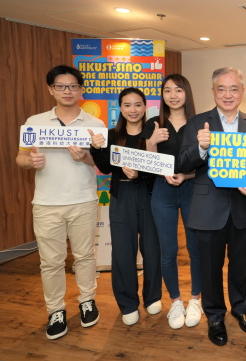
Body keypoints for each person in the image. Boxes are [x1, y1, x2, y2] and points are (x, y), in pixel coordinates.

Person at [16, 65, 104, 340]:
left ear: (81, 89)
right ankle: (55, 310)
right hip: (46, 203)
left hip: (84, 200)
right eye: (61, 86)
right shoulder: (34, 121)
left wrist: (86, 157)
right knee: (50, 262)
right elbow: (20, 158)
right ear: (51, 89)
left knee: (85, 256)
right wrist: (29, 161)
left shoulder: (95, 125)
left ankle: (87, 300)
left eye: (73, 86)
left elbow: (102, 165)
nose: (67, 91)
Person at [178, 67, 246, 347]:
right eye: (222, 89)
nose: (228, 94)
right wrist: (201, 148)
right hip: (207, 209)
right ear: (213, 91)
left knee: (239, 266)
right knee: (210, 268)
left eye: (234, 88)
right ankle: (214, 315)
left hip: (242, 209)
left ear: (242, 91)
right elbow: (183, 163)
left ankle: (240, 308)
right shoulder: (196, 123)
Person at [89, 87, 162, 326]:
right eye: (128, 105)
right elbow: (107, 168)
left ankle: (152, 297)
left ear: (145, 107)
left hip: (150, 194)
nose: (133, 110)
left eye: (138, 104)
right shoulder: (112, 134)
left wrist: (139, 173)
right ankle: (128, 303)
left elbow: (160, 165)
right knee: (123, 251)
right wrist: (96, 148)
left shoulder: (153, 132)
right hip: (122, 196)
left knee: (152, 249)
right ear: (120, 108)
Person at [142, 74, 202, 329]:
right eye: (167, 91)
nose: (173, 95)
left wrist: (185, 175)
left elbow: (209, 163)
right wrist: (152, 143)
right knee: (168, 251)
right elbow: (147, 163)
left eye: (178, 90)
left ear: (187, 93)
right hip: (162, 191)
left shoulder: (200, 123)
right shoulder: (153, 124)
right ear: (162, 95)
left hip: (192, 190)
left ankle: (196, 299)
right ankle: (176, 301)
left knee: (195, 248)